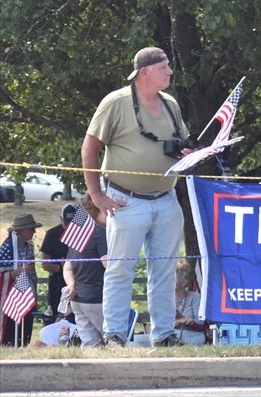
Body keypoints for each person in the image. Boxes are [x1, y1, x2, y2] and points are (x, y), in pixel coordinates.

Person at [81, 46, 194, 348]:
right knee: (120, 268)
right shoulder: (115, 102)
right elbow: (89, 148)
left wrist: (188, 152)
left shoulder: (170, 104)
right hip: (125, 200)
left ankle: (164, 334)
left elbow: (182, 142)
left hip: (167, 199)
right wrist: (97, 195)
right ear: (145, 71)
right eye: (164, 67)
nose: (170, 72)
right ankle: (115, 334)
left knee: (165, 270)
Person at [63, 195, 107, 347]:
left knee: (90, 344)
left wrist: (71, 285)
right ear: (98, 209)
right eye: (107, 209)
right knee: (112, 340)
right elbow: (109, 264)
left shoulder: (78, 233)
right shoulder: (100, 233)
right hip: (97, 298)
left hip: (77, 301)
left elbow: (67, 266)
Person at [0, 213, 42, 346]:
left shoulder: (30, 247)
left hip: (28, 295)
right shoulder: (7, 250)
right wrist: (15, 274)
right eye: (31, 228)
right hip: (12, 299)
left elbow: (33, 273)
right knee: (12, 333)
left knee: (26, 331)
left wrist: (35, 295)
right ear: (20, 231)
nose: (34, 231)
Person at [40, 204, 75, 323]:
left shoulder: (83, 235)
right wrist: (62, 267)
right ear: (61, 218)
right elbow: (44, 264)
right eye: (66, 222)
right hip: (57, 283)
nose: (69, 226)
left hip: (80, 281)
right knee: (55, 315)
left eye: (72, 222)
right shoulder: (52, 234)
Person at [174, 263, 207, 344]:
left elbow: (200, 322)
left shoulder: (195, 297)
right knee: (139, 340)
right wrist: (180, 320)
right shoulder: (166, 299)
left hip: (193, 334)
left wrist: (181, 318)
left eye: (174, 278)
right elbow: (162, 325)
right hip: (170, 333)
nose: (170, 281)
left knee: (168, 338)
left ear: (184, 282)